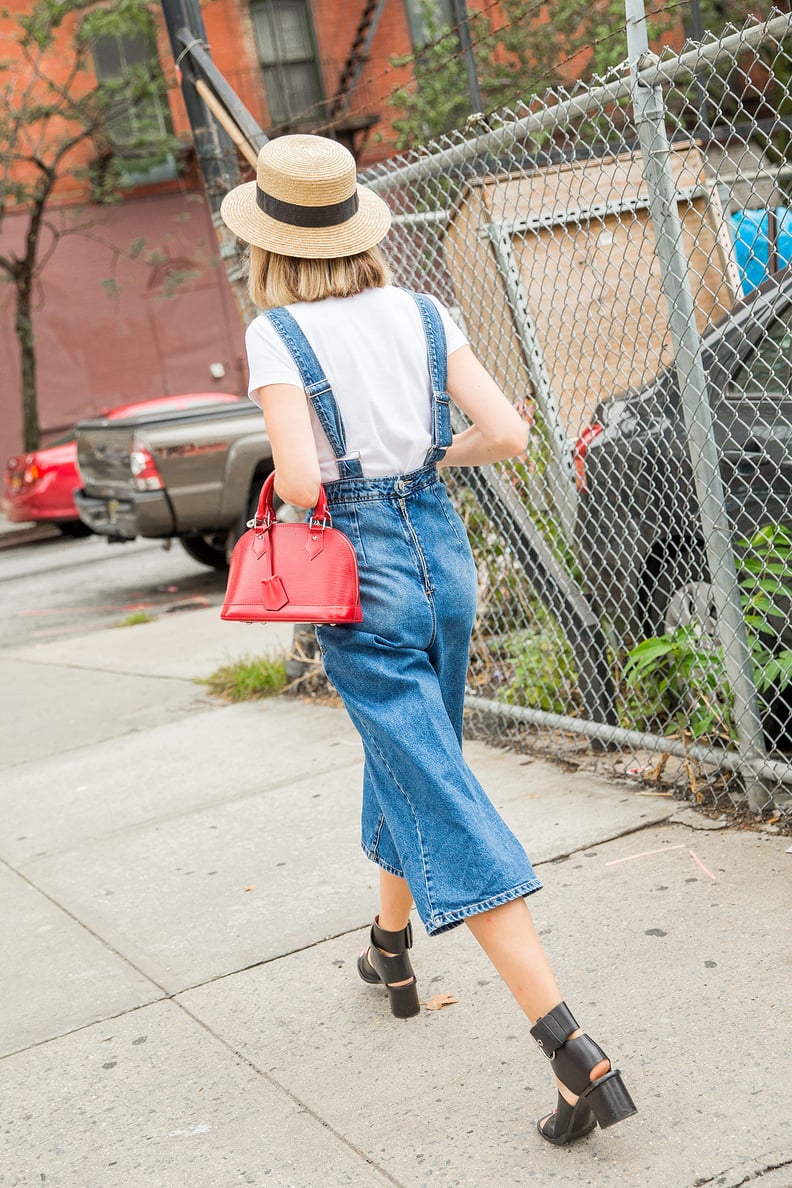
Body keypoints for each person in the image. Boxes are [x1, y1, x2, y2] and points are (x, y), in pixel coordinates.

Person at [220, 133, 636, 1147]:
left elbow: (306, 484)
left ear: (271, 245)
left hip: (357, 573)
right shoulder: (422, 311)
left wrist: (303, 492)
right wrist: (421, 462)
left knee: (437, 787)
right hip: (440, 554)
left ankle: (571, 1046)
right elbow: (507, 433)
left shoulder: (278, 331)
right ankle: (391, 948)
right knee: (415, 757)